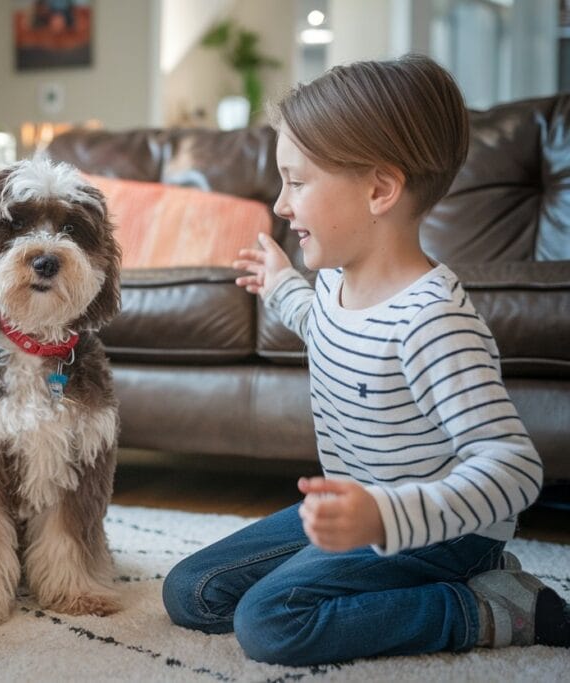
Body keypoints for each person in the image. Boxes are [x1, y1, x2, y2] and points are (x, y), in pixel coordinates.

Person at [162, 54, 569, 665]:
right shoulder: (334, 281)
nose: (280, 205)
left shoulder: (432, 322)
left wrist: (384, 517)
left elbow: (513, 471)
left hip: (442, 532)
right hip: (360, 509)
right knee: (192, 593)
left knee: (270, 623)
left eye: (296, 182)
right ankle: (434, 583)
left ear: (380, 189)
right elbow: (321, 325)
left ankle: (489, 605)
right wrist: (281, 287)